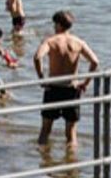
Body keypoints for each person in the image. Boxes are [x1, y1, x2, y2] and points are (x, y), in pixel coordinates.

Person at [34, 10, 100, 146]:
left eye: (54, 24)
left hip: (53, 88)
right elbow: (95, 62)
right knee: (71, 133)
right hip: (72, 89)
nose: (53, 27)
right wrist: (85, 83)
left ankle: (44, 162)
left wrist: (41, 78)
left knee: (45, 130)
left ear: (58, 24)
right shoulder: (78, 42)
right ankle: (71, 164)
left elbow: (37, 57)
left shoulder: (51, 41)